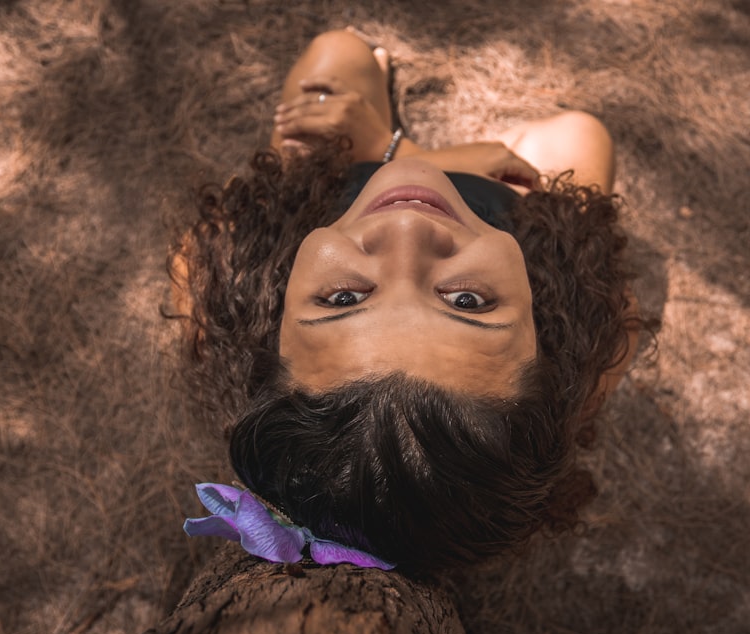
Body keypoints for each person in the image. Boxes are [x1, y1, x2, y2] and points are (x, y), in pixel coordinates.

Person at [173, 29, 651, 573]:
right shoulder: (590, 326)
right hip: (500, 207)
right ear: (546, 360)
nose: (405, 226)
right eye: (468, 301)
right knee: (581, 133)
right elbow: (602, 281)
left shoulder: (231, 279)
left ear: (268, 346)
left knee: (338, 51)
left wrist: (380, 153)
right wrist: (409, 153)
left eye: (344, 297)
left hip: (327, 192)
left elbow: (212, 239)